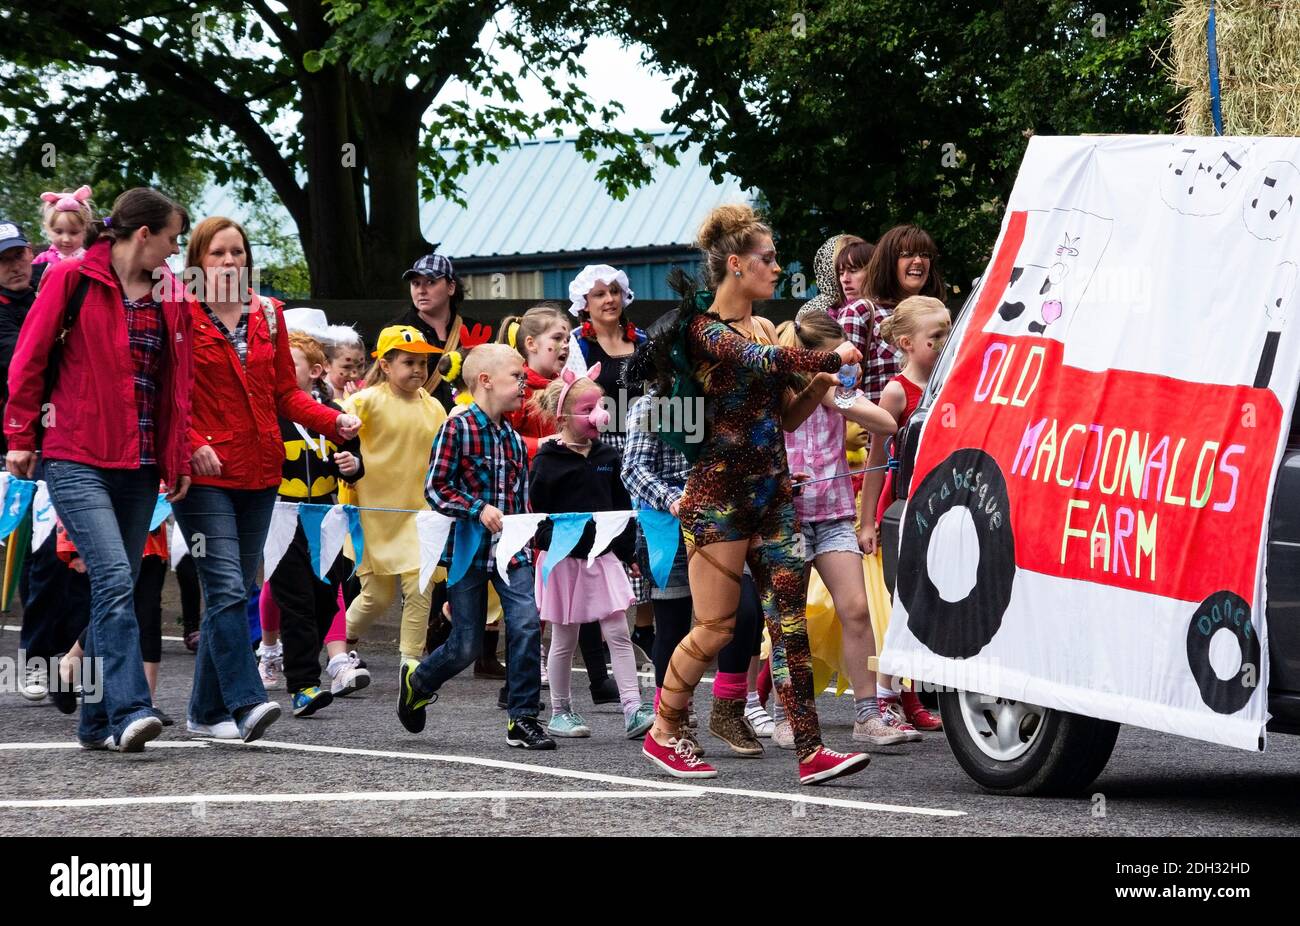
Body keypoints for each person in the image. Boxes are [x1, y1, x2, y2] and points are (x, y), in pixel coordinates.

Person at [639, 204, 870, 785]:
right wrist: (827, 356)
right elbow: (761, 360)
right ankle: (664, 730)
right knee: (715, 628)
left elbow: (786, 419)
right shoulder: (705, 331)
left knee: (788, 621)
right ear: (736, 265)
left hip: (772, 498)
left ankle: (812, 751)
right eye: (768, 260)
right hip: (717, 501)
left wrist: (818, 385)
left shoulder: (766, 327)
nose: (777, 268)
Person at [5, 187, 192, 752]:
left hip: (140, 463)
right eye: (171, 238)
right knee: (114, 577)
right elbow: (30, 355)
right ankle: (132, 705)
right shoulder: (72, 278)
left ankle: (93, 723)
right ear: (143, 236)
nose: (175, 250)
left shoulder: (172, 294)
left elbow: (176, 387)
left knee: (123, 581)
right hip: (75, 452)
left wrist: (176, 455)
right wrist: (19, 433)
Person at [178, 215, 359, 743]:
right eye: (217, 253)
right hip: (206, 473)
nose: (229, 261)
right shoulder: (180, 315)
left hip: (261, 470)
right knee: (228, 587)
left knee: (231, 591)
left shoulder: (269, 315)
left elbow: (286, 394)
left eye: (237, 252)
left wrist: (334, 420)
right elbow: (169, 394)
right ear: (197, 262)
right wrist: (191, 445)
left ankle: (202, 713)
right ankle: (246, 701)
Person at [399, 343, 553, 750]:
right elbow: (435, 488)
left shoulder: (513, 439)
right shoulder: (458, 427)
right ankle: (418, 681)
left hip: (511, 552)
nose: (525, 385)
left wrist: (534, 537)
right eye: (517, 378)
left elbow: (520, 502)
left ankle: (522, 719)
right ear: (485, 381)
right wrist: (476, 507)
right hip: (468, 549)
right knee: (465, 644)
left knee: (525, 624)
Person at [780, 309, 914, 747]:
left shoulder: (837, 395)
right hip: (790, 519)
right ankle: (788, 715)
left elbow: (887, 424)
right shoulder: (781, 393)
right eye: (832, 356)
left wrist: (839, 394)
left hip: (834, 515)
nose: (841, 364)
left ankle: (867, 714)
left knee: (856, 608)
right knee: (789, 618)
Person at [620, 383, 768, 756]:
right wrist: (674, 500)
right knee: (672, 624)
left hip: (722, 525)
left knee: (745, 611)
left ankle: (729, 710)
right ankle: (673, 715)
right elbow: (633, 470)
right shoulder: (649, 407)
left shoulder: (724, 400)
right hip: (667, 529)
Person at [528, 367, 655, 739]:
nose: (598, 414)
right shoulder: (548, 460)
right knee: (564, 638)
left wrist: (627, 548)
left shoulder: (607, 456)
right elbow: (538, 513)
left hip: (603, 558)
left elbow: (621, 507)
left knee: (617, 631)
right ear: (563, 417)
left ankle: (632, 706)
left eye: (600, 405)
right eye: (587, 409)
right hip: (564, 561)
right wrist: (552, 541)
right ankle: (560, 710)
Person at [858, 295, 951, 733]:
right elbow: (876, 460)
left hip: (938, 507)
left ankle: (912, 695)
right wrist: (866, 522)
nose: (947, 341)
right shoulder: (897, 391)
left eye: (950, 331)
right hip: (900, 506)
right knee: (898, 607)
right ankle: (885, 698)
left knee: (927, 600)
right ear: (907, 343)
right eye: (937, 336)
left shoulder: (951, 383)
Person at [268, 332, 367, 717]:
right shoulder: (269, 414)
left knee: (326, 598)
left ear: (315, 371)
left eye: (286, 365)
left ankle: (304, 669)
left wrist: (352, 465)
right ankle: (303, 685)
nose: (277, 372)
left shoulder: (333, 414)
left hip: (325, 518)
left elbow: (355, 459)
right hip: (281, 520)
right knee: (295, 602)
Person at [562, 265, 657, 670]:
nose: (609, 300)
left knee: (647, 534)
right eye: (599, 294)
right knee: (610, 536)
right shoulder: (579, 345)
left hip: (643, 443)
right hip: (602, 447)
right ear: (585, 304)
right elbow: (577, 399)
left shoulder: (643, 341)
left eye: (615, 291)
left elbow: (657, 391)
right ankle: (609, 633)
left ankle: (645, 629)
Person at [341, 325, 446, 668]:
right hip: (373, 515)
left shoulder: (434, 408)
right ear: (385, 366)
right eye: (408, 361)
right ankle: (338, 645)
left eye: (423, 362)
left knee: (420, 587)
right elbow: (337, 436)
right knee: (376, 596)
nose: (418, 369)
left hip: (419, 514)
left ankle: (410, 662)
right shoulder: (363, 401)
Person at [393, 252, 492, 409]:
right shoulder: (396, 333)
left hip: (466, 425)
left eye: (430, 282)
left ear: (451, 287)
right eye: (415, 283)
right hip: (416, 426)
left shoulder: (473, 329)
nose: (421, 290)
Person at [33, 186, 95, 266]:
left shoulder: (92, 259)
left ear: (87, 230)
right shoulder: (42, 260)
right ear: (47, 229)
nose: (66, 239)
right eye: (58, 232)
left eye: (74, 232)